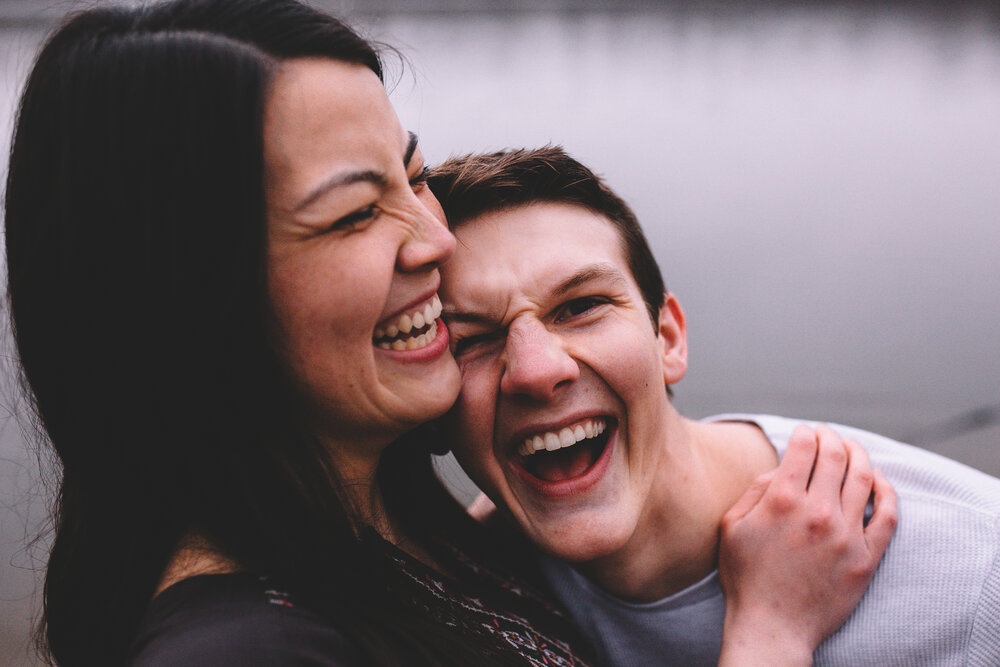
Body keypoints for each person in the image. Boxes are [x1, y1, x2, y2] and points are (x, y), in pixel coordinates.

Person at [4, 1, 893, 664]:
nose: (436, 239)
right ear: (194, 300)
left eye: (414, 172)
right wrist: (771, 632)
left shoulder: (399, 523)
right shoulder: (243, 651)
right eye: (356, 214)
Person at [427, 146, 1000, 667]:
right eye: (472, 340)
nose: (535, 371)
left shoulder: (975, 579)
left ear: (669, 338)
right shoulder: (478, 592)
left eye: (580, 306)